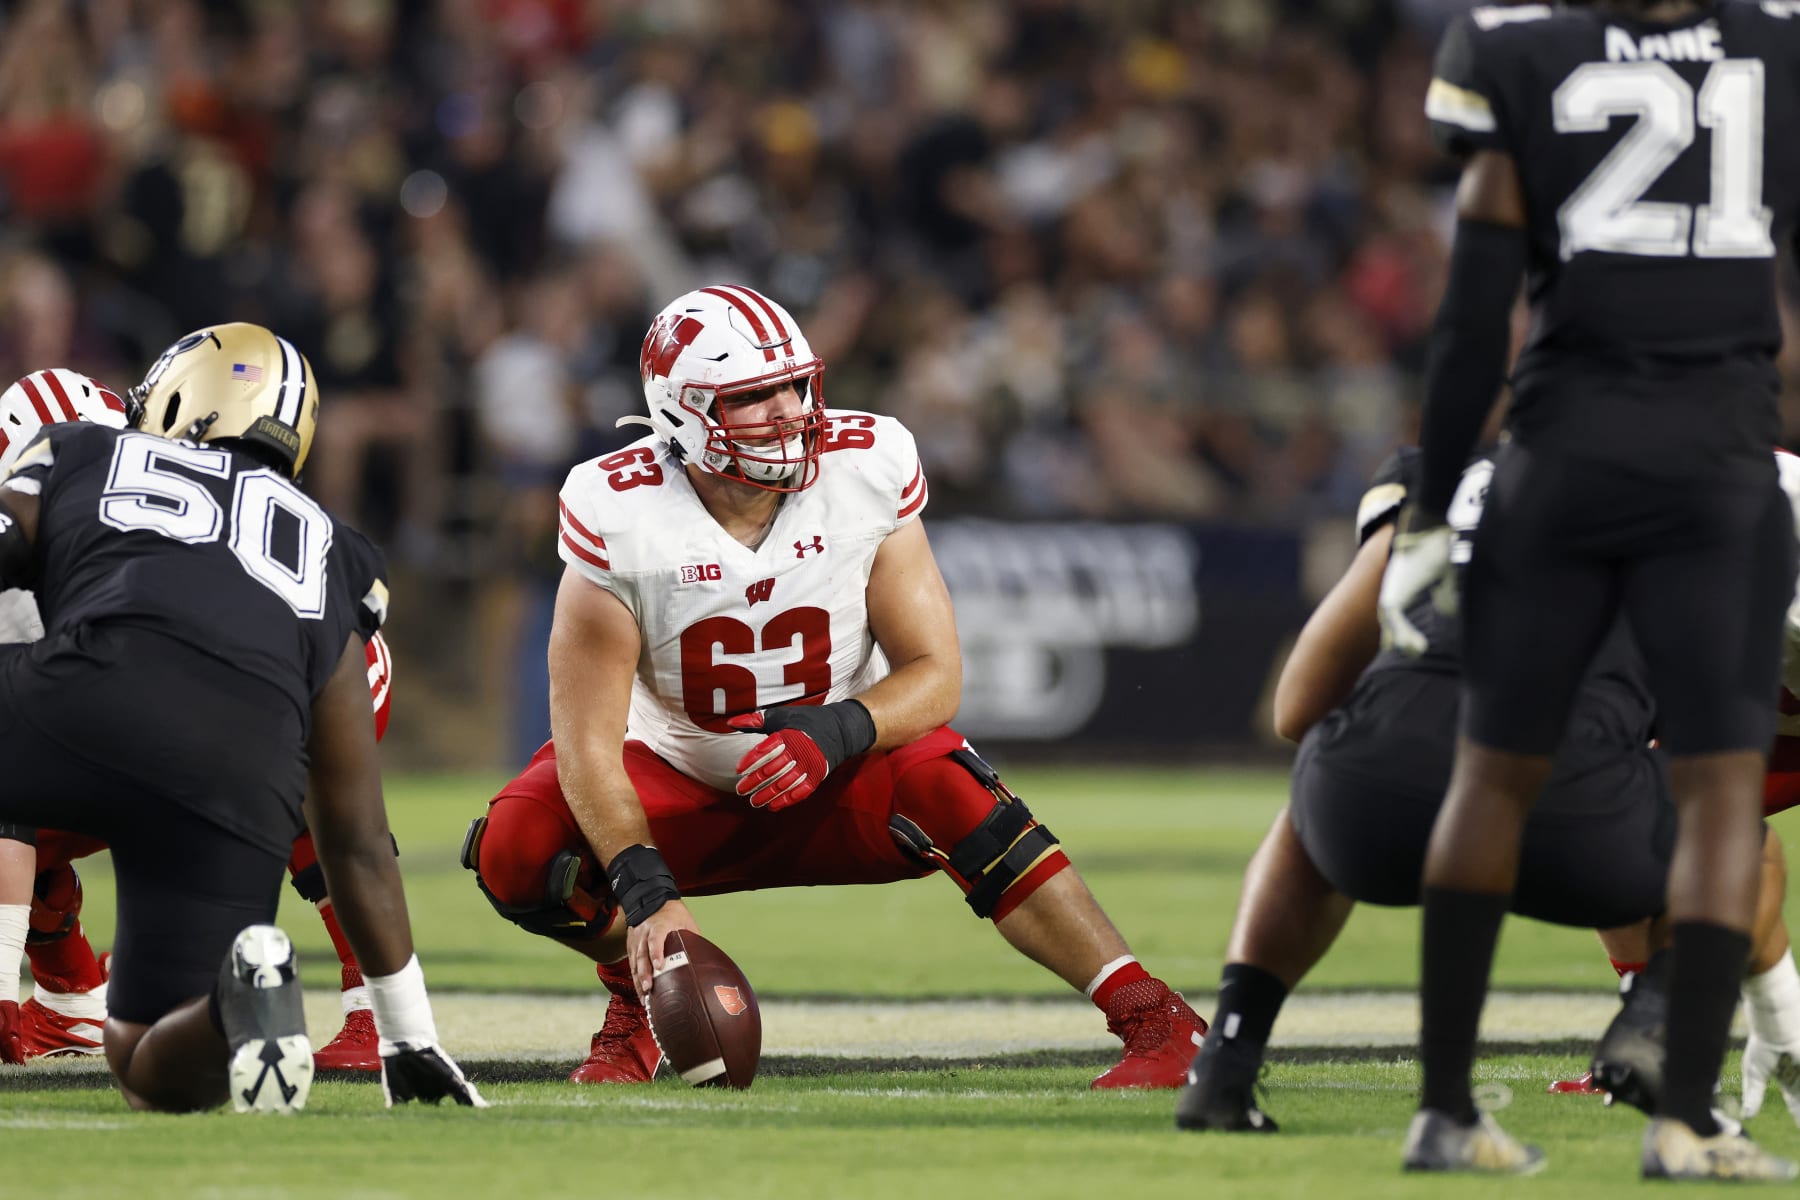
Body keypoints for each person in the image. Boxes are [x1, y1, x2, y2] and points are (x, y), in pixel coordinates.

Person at [461, 284, 1206, 1088]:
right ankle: (639, 997)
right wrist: (645, 895)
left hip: (836, 770)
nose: (788, 412)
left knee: (957, 790)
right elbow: (586, 744)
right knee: (518, 849)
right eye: (753, 397)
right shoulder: (620, 512)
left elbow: (937, 674)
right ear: (681, 414)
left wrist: (837, 730)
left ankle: (1156, 1018)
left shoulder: (864, 466)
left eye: (795, 385)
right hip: (674, 774)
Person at [1381, 0, 1800, 1179]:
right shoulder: (1779, 46)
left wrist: (1429, 507)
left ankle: (1449, 1110)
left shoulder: (1511, 45)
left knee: (1493, 777)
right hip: (1718, 462)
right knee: (1723, 800)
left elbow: (1474, 312)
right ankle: (1688, 1123)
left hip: (1559, 458)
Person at [1176, 448, 1800, 1133]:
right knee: (1727, 833)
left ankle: (1227, 1060)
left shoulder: (1439, 476)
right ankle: (1661, 1023)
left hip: (1376, 805)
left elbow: (1298, 710)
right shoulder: (1710, 492)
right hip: (1575, 819)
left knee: (1324, 778)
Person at [0, 323, 482, 1112]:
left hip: (88, 692)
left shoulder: (85, 450)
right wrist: (409, 1034)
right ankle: (236, 1006)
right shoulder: (336, 547)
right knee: (151, 1070)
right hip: (234, 767)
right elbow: (357, 834)